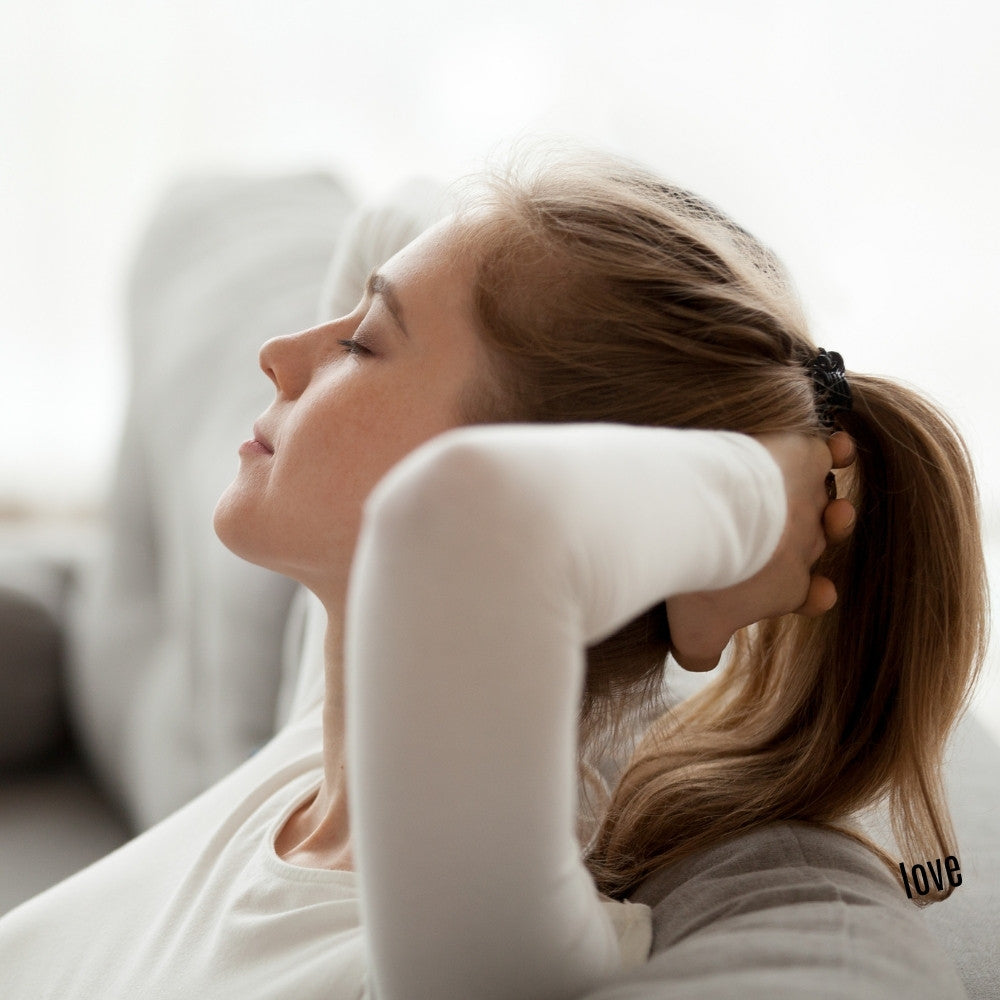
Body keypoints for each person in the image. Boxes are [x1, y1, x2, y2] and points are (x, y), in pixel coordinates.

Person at [0, 150, 985, 1000]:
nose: (279, 354)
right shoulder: (326, 747)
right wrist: (782, 411)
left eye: (360, 343)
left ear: (539, 471)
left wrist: (770, 496)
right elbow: (392, 222)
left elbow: (469, 526)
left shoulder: (486, 935)